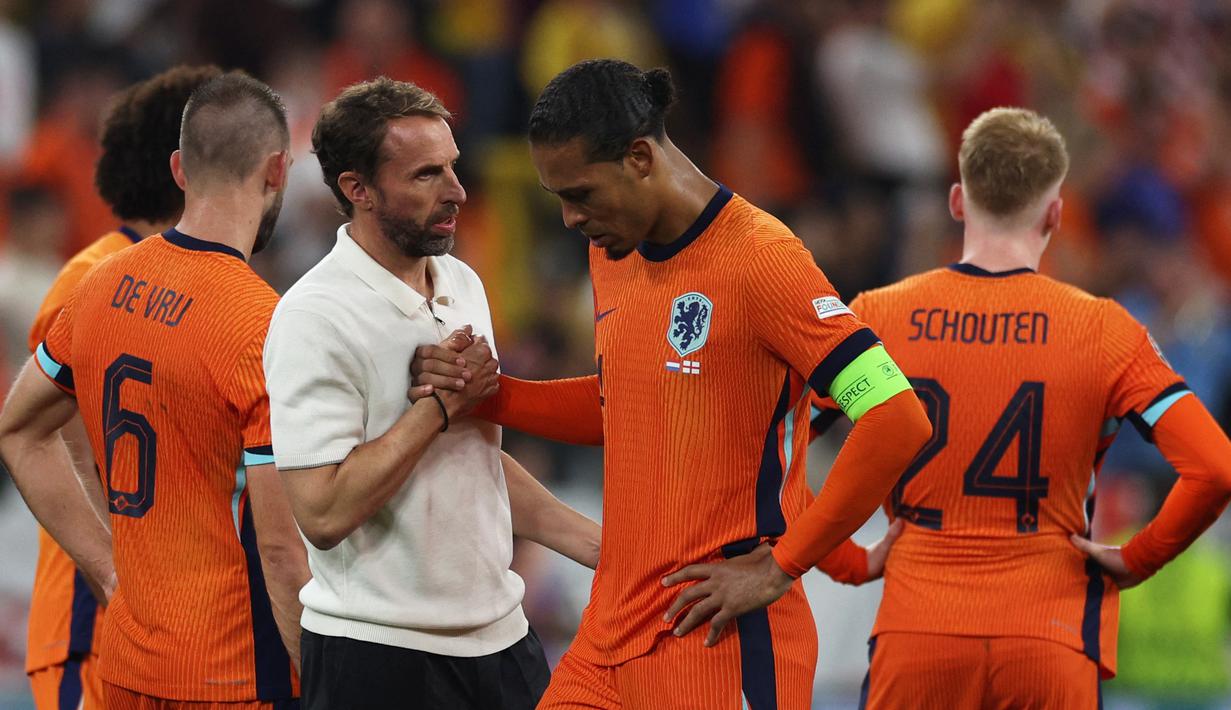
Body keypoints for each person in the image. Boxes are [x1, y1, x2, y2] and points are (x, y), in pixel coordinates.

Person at [414, 59, 932, 709]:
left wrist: (779, 567)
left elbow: (897, 416)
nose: (571, 220)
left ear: (638, 158)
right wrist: (491, 397)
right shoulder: (610, 248)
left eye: (580, 194)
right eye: (559, 199)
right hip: (609, 632)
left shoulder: (763, 261)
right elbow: (626, 404)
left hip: (715, 636)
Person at [810, 107, 1231, 709]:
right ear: (1056, 212)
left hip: (919, 632)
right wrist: (1137, 558)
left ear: (958, 202)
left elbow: (777, 443)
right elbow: (1216, 468)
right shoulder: (1106, 330)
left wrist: (845, 559)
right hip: (1050, 636)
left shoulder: (880, 316)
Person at [264, 76, 601, 710]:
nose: (457, 191)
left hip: (501, 639)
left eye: (452, 166)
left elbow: (472, 459)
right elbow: (322, 513)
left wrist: (593, 545)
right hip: (380, 653)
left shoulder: (463, 281)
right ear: (356, 190)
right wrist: (436, 410)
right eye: (425, 175)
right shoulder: (314, 315)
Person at [0, 72, 308, 708]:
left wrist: (105, 568)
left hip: (125, 664)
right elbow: (280, 551)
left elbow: (17, 427)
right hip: (229, 671)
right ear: (278, 170)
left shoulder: (99, 283)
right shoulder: (263, 323)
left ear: (179, 168)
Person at [19, 64, 220, 710]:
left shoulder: (192, 280)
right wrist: (118, 582)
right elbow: (72, 448)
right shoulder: (94, 275)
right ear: (187, 168)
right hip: (96, 624)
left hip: (165, 632)